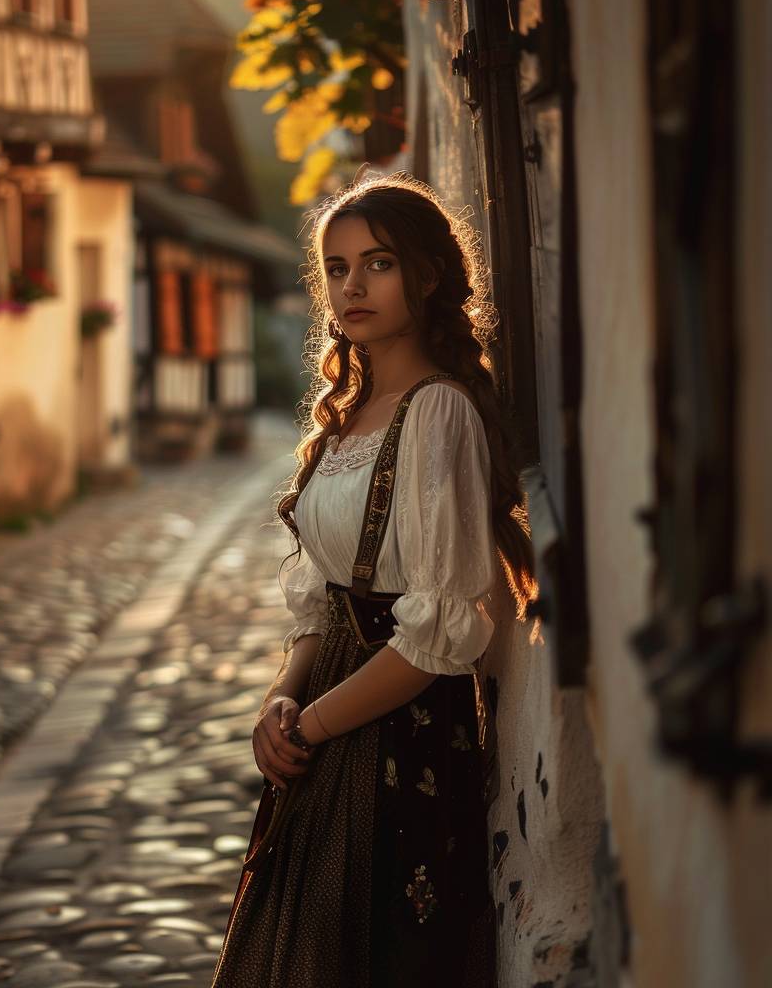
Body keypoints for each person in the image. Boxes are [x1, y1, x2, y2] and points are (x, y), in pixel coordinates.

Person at [209, 170, 536, 988]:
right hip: (325, 717)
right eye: (338, 266)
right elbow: (322, 593)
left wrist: (311, 725)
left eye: (378, 264)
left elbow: (437, 635)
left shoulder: (439, 412)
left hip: (400, 734)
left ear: (425, 276)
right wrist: (281, 699)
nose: (352, 286)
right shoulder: (349, 413)